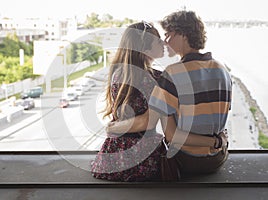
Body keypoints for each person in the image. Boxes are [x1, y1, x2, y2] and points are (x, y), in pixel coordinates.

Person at [107, 10, 232, 178]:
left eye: (168, 35)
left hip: (187, 160)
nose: (165, 42)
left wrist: (113, 127)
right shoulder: (222, 69)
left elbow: (170, 135)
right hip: (218, 157)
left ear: (183, 35)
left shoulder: (172, 74)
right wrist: (217, 142)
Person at [91, 21, 165, 181]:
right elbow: (147, 122)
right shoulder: (156, 79)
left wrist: (114, 127)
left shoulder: (119, 73)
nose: (163, 43)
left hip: (114, 154)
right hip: (142, 155)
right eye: (158, 41)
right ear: (145, 49)